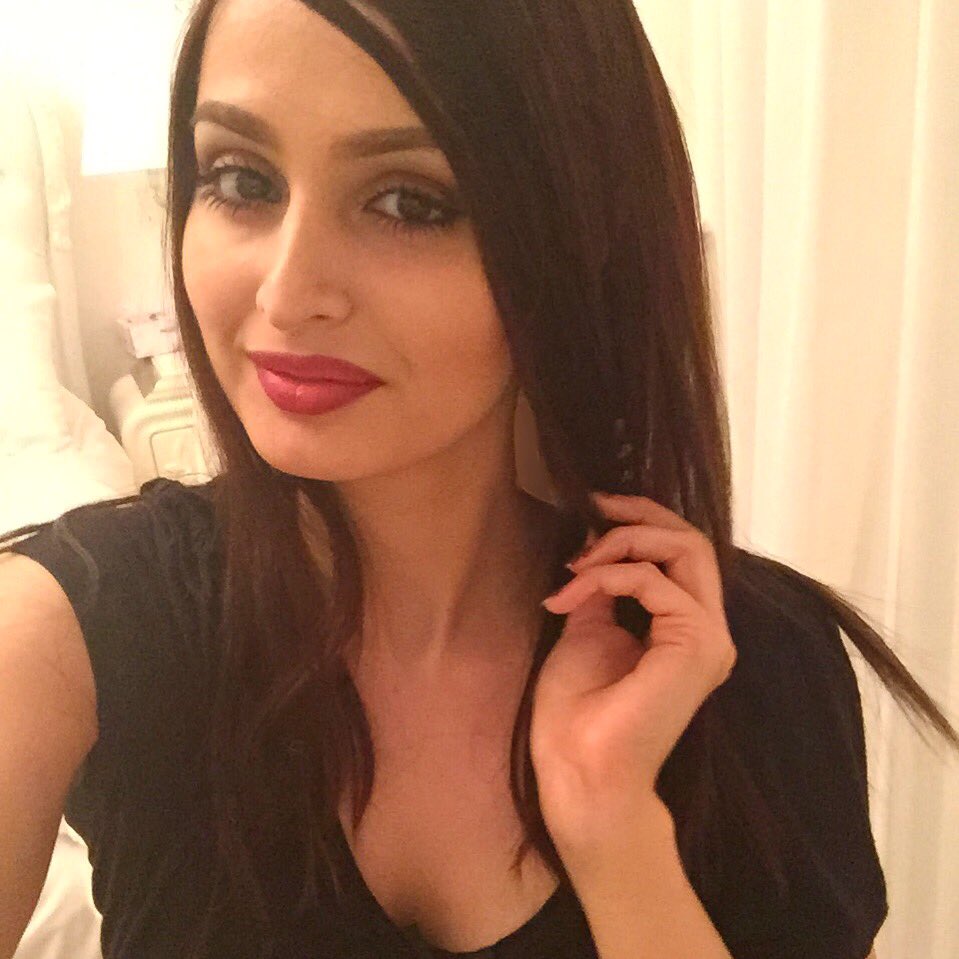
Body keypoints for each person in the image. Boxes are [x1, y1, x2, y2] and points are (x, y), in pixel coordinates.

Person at [1, 1, 956, 957]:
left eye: (407, 202)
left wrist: (613, 827)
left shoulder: (758, 669)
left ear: (573, 236)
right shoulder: (66, 629)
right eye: (242, 180)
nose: (286, 294)